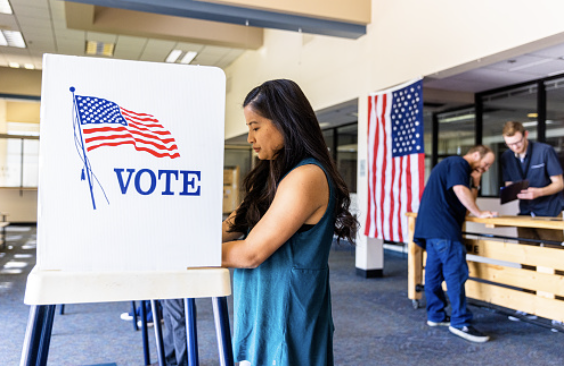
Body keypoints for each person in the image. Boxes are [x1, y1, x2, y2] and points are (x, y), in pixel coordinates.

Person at [221, 79, 357, 366]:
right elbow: (229, 229)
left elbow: (250, 254)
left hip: (287, 312)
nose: (250, 138)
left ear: (285, 122)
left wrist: (180, 254)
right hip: (261, 304)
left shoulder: (307, 176)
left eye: (255, 127)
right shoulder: (270, 177)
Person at [414, 145, 497, 343]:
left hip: (430, 229)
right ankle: (460, 322)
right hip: (444, 229)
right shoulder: (458, 163)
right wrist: (479, 212)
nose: (485, 169)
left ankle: (436, 315)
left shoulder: (452, 167)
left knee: (433, 273)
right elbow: (460, 190)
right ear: (476, 154)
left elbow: (464, 204)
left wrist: (475, 183)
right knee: (455, 274)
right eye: (485, 165)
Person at [501, 121, 564, 327]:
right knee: (526, 259)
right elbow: (510, 183)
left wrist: (539, 191)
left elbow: (559, 183)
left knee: (553, 260)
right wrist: (511, 190)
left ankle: (558, 309)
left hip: (550, 211)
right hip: (525, 212)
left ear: (525, 135)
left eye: (518, 142)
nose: (515, 148)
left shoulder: (544, 151)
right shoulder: (506, 157)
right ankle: (528, 305)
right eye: (510, 144)